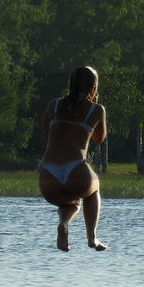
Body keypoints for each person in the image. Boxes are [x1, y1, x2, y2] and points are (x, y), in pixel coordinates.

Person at [37, 65, 108, 251]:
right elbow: (99, 139)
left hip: (48, 173)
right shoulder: (96, 110)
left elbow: (46, 140)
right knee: (93, 189)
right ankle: (92, 238)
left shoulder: (53, 105)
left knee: (69, 201)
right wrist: (95, 106)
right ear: (93, 88)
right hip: (75, 168)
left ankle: (64, 224)